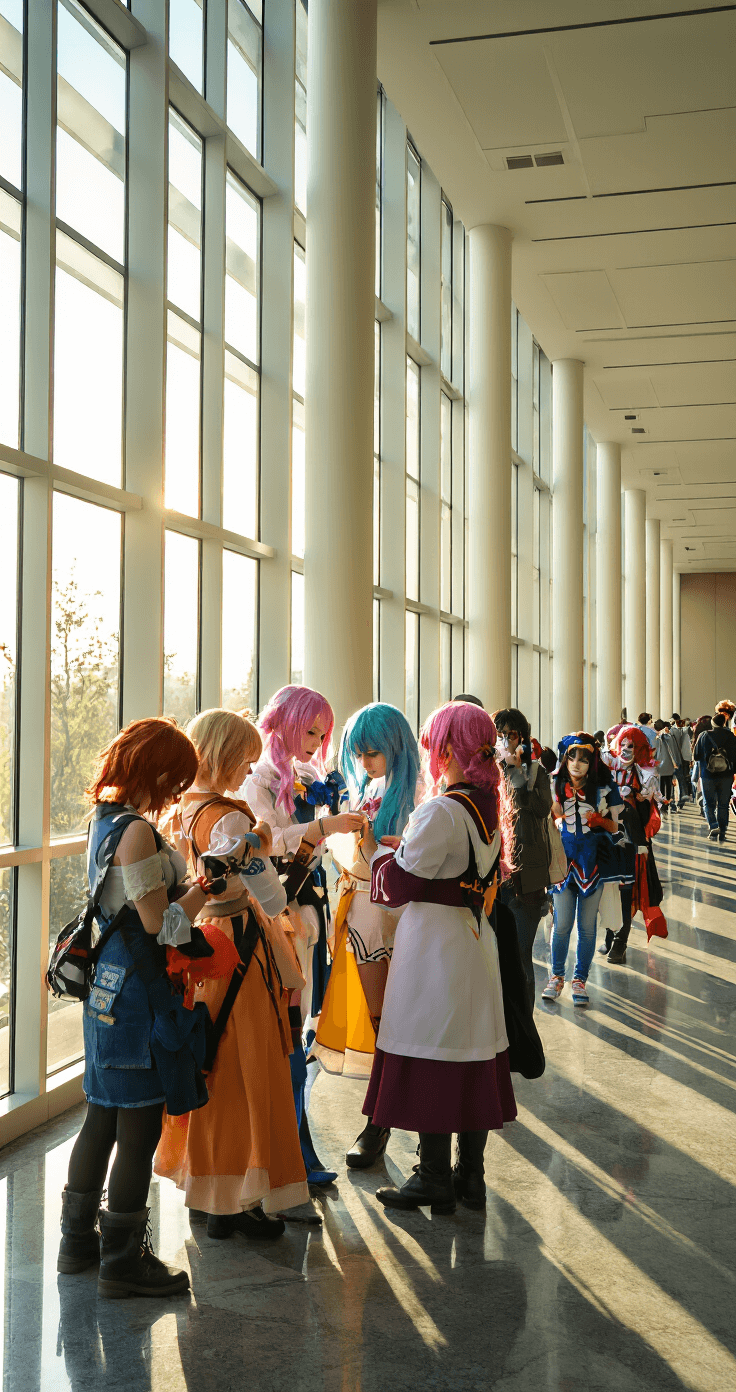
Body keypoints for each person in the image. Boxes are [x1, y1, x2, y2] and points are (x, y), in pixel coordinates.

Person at [58, 717, 214, 1298]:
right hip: (138, 996)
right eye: (174, 779)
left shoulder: (102, 821)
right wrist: (207, 886)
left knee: (99, 1119)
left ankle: (77, 1245)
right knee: (139, 1127)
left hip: (105, 990)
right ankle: (123, 1262)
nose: (176, 793)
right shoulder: (138, 833)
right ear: (158, 771)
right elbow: (162, 925)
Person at [154, 709, 310, 1241]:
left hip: (200, 949)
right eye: (244, 759)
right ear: (224, 756)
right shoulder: (233, 819)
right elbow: (271, 895)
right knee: (248, 1071)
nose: (249, 770)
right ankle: (237, 1199)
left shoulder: (180, 812)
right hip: (241, 946)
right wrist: (265, 846)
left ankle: (206, 1195)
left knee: (208, 1064)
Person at [359, 701, 517, 1215]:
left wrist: (379, 852)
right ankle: (470, 1177)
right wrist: (406, 848)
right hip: (472, 940)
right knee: (469, 1050)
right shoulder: (488, 803)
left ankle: (431, 1177)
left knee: (432, 1050)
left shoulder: (441, 810)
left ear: (447, 748)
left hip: (435, 946)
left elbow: (396, 886)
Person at [244, 686, 364, 1183]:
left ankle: (296, 1150)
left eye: (321, 733)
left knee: (297, 1033)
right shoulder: (259, 780)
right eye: (308, 730)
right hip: (276, 915)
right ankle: (288, 1156)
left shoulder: (307, 774)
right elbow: (263, 849)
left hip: (305, 912)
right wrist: (320, 827)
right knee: (285, 1035)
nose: (315, 741)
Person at [312, 702, 421, 1170]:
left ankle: (405, 1124)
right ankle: (382, 1122)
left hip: (400, 918)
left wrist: (371, 844)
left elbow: (411, 867)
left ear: (396, 747)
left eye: (372, 752)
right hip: (361, 914)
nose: (364, 763)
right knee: (381, 1024)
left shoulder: (419, 796)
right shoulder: (371, 788)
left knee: (405, 1024)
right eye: (358, 754)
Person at [541, 733, 625, 1006]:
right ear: (564, 759)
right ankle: (556, 977)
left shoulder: (603, 788)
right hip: (563, 863)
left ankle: (580, 980)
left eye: (584, 760)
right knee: (562, 925)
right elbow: (551, 821)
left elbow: (617, 827)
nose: (577, 764)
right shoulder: (554, 785)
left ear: (592, 763)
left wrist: (600, 820)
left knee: (587, 928)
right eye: (572, 757)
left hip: (594, 863)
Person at [492, 707, 552, 1007]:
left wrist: (516, 771)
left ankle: (524, 1031)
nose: (505, 740)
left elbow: (542, 810)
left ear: (522, 738)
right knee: (496, 963)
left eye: (511, 735)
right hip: (494, 880)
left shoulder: (536, 772)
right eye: (499, 734)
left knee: (521, 962)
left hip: (526, 879)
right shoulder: (488, 774)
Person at [602, 724, 667, 961]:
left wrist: (642, 796)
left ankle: (621, 940)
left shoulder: (645, 774)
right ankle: (611, 934)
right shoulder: (607, 766)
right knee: (608, 887)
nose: (626, 750)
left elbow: (648, 811)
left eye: (632, 746)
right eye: (623, 745)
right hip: (607, 836)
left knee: (627, 890)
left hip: (632, 840)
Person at [693, 712, 736, 841]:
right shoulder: (731, 736)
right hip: (726, 775)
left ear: (712, 723)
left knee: (709, 803)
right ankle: (722, 829)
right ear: (724, 723)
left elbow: (696, 756)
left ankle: (713, 825)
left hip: (708, 775)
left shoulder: (704, 736)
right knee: (723, 804)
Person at [653, 720, 678, 813]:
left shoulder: (656, 738)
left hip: (659, 765)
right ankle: (667, 803)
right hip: (669, 765)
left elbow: (654, 752)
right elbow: (674, 751)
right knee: (669, 785)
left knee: (661, 785)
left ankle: (663, 804)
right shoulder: (670, 738)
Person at [669, 715, 692, 807]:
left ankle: (673, 802)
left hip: (673, 759)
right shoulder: (685, 731)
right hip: (683, 758)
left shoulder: (671, 732)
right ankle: (682, 798)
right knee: (682, 779)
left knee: (672, 781)